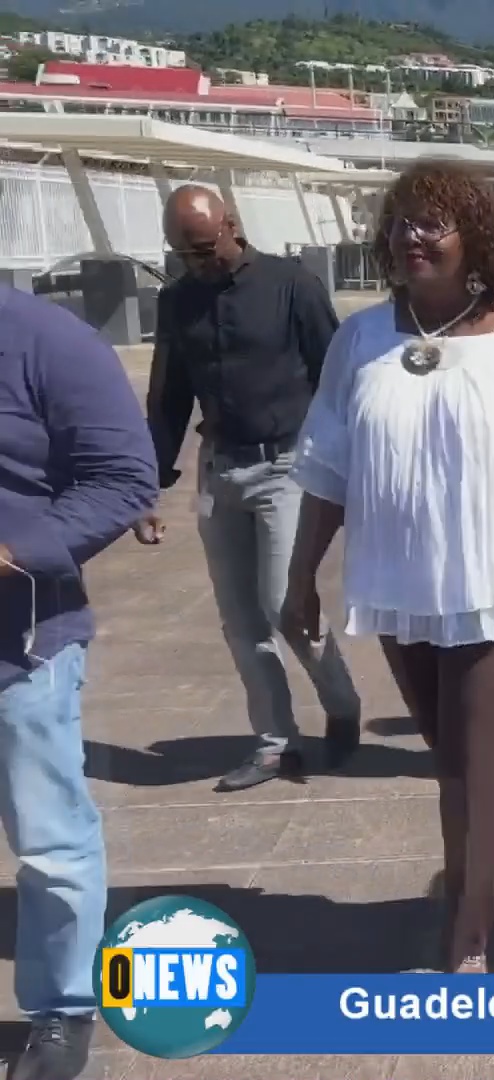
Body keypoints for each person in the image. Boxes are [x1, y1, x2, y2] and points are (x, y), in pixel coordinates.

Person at [280, 161, 494, 974]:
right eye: (400, 224)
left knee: (465, 770)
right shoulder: (361, 338)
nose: (412, 238)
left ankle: (470, 937)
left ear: (477, 239)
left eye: (433, 224)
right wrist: (299, 579)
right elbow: (328, 467)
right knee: (458, 757)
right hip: (399, 585)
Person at [138, 185, 362, 792]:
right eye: (184, 253)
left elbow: (336, 378)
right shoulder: (178, 300)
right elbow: (167, 399)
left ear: (232, 226)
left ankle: (341, 705)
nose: (197, 263)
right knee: (240, 620)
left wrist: (344, 468)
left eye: (205, 249)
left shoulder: (293, 286)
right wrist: (146, 486)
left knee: (285, 607)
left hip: (287, 468)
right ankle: (275, 742)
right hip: (221, 469)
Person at [1, 285, 157, 1080]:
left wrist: (18, 549)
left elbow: (124, 478)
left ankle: (62, 1009)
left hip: (19, 644)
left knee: (49, 837)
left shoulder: (48, 342)